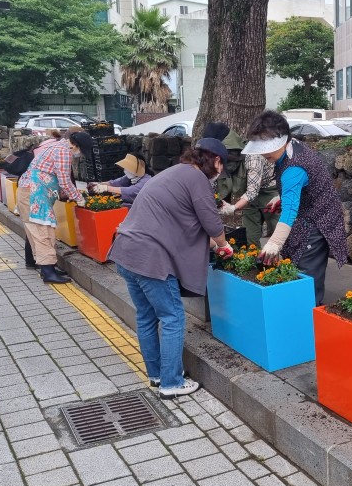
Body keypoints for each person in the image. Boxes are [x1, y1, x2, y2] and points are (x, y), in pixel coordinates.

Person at [108, 138, 235, 399]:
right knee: (173, 316)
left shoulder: (173, 172)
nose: (220, 172)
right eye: (222, 165)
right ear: (217, 161)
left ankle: (156, 374)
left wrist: (210, 242)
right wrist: (223, 244)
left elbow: (181, 219)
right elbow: (211, 221)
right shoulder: (197, 178)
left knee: (146, 316)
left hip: (126, 251)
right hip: (150, 258)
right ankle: (172, 383)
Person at [242, 111, 348, 305]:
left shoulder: (294, 168)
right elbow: (299, 190)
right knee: (294, 266)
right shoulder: (292, 147)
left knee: (306, 276)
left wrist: (273, 244)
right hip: (308, 215)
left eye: (267, 147)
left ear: (282, 140)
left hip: (318, 222)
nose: (264, 153)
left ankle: (308, 319)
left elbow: (290, 211)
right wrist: (280, 197)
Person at [17, 130, 89, 284]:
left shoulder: (57, 147)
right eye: (82, 150)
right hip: (34, 195)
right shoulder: (64, 151)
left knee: (41, 232)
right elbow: (64, 181)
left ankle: (47, 268)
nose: (81, 154)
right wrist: (79, 198)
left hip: (31, 192)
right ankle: (48, 272)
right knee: (43, 232)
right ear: (75, 145)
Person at [205, 122, 280, 247]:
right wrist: (215, 203)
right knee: (251, 231)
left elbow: (253, 191)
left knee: (276, 227)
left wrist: (233, 208)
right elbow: (212, 185)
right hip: (247, 192)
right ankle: (254, 259)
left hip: (269, 189)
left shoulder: (252, 156)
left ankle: (284, 261)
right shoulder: (219, 162)